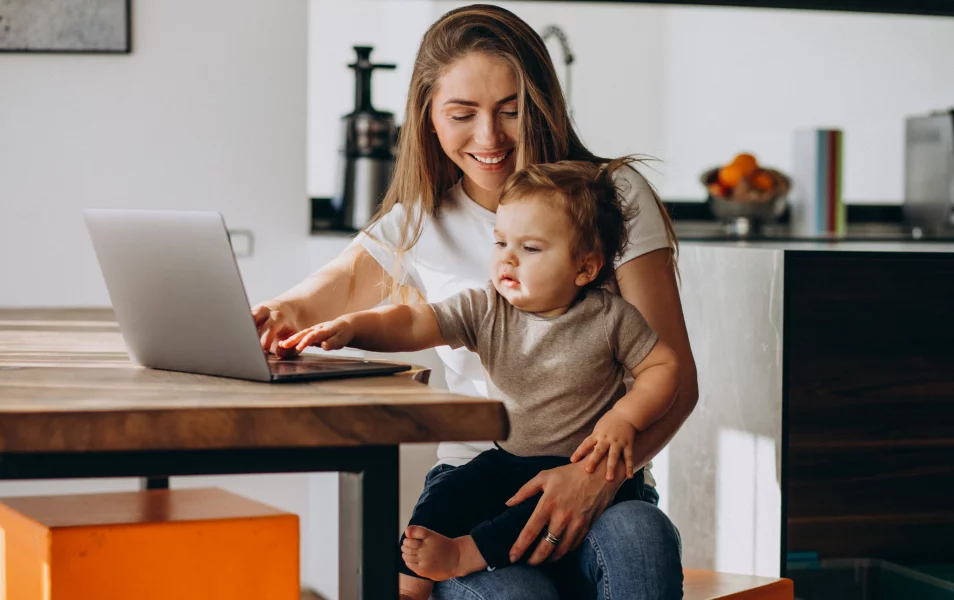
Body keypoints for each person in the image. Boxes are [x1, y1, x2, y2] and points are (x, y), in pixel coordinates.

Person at [253, 5, 697, 599]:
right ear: (429, 118)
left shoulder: (610, 201)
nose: (490, 139)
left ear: (542, 105)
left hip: (604, 483)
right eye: (462, 114)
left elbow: (674, 379)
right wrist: (278, 314)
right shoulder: (418, 222)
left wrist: (588, 479)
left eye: (511, 111)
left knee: (641, 538)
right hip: (479, 484)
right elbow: (321, 296)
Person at [281, 159, 680, 600]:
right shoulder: (487, 308)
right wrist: (354, 327)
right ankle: (405, 582)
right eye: (500, 242)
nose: (507, 258)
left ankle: (465, 555)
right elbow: (414, 322)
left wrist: (624, 417)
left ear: (584, 268)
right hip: (509, 460)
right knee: (449, 491)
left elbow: (664, 368)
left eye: (530, 248)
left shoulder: (610, 317)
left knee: (529, 513)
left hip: (585, 470)